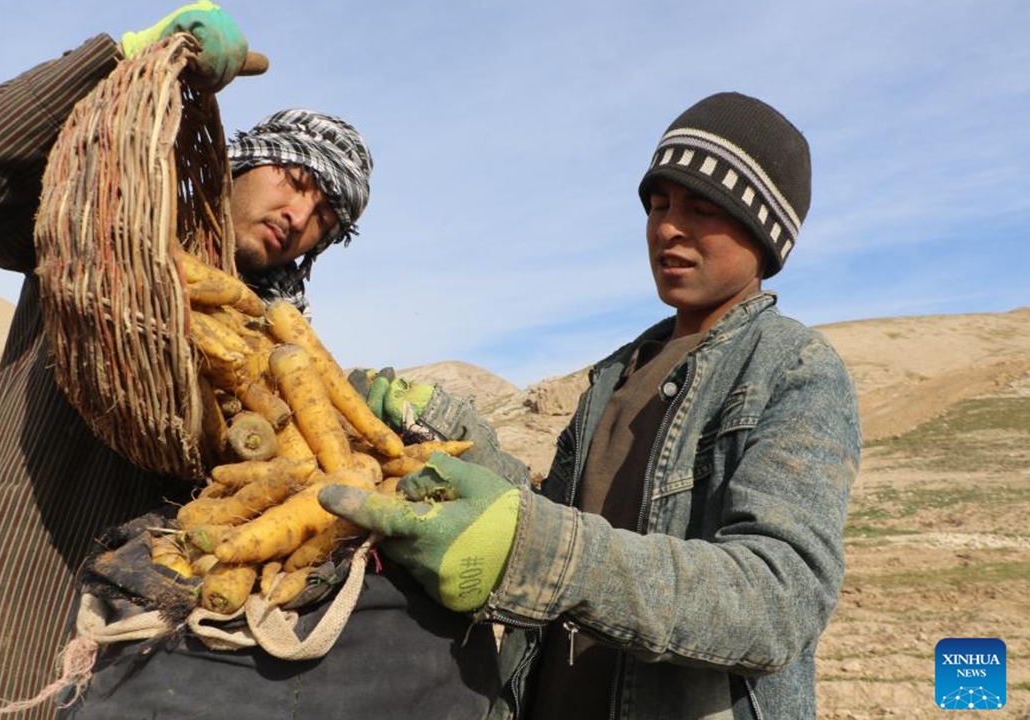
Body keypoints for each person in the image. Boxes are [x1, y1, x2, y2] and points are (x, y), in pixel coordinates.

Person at [0, 4, 523, 719]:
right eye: (296, 178)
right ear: (245, 160)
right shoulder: (109, 241)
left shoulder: (280, 342)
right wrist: (118, 56)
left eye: (327, 219)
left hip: (142, 641)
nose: (300, 216)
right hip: (6, 585)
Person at [321, 91, 862, 719]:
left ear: (764, 231)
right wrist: (449, 426)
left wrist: (545, 555)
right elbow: (556, 513)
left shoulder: (794, 369)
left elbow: (778, 599)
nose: (667, 227)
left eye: (700, 207)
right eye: (658, 204)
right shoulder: (617, 372)